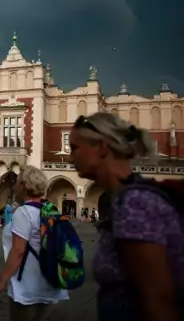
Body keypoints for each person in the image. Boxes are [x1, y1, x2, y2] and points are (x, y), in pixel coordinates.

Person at [70, 112, 182, 321]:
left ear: (102, 147)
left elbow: (159, 301)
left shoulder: (134, 204)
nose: (70, 157)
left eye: (75, 148)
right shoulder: (129, 197)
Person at [0, 166, 69, 321]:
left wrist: (3, 279)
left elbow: (18, 250)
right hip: (50, 280)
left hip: (27, 283)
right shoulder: (51, 210)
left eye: (17, 182)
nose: (14, 186)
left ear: (23, 185)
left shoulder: (24, 212)